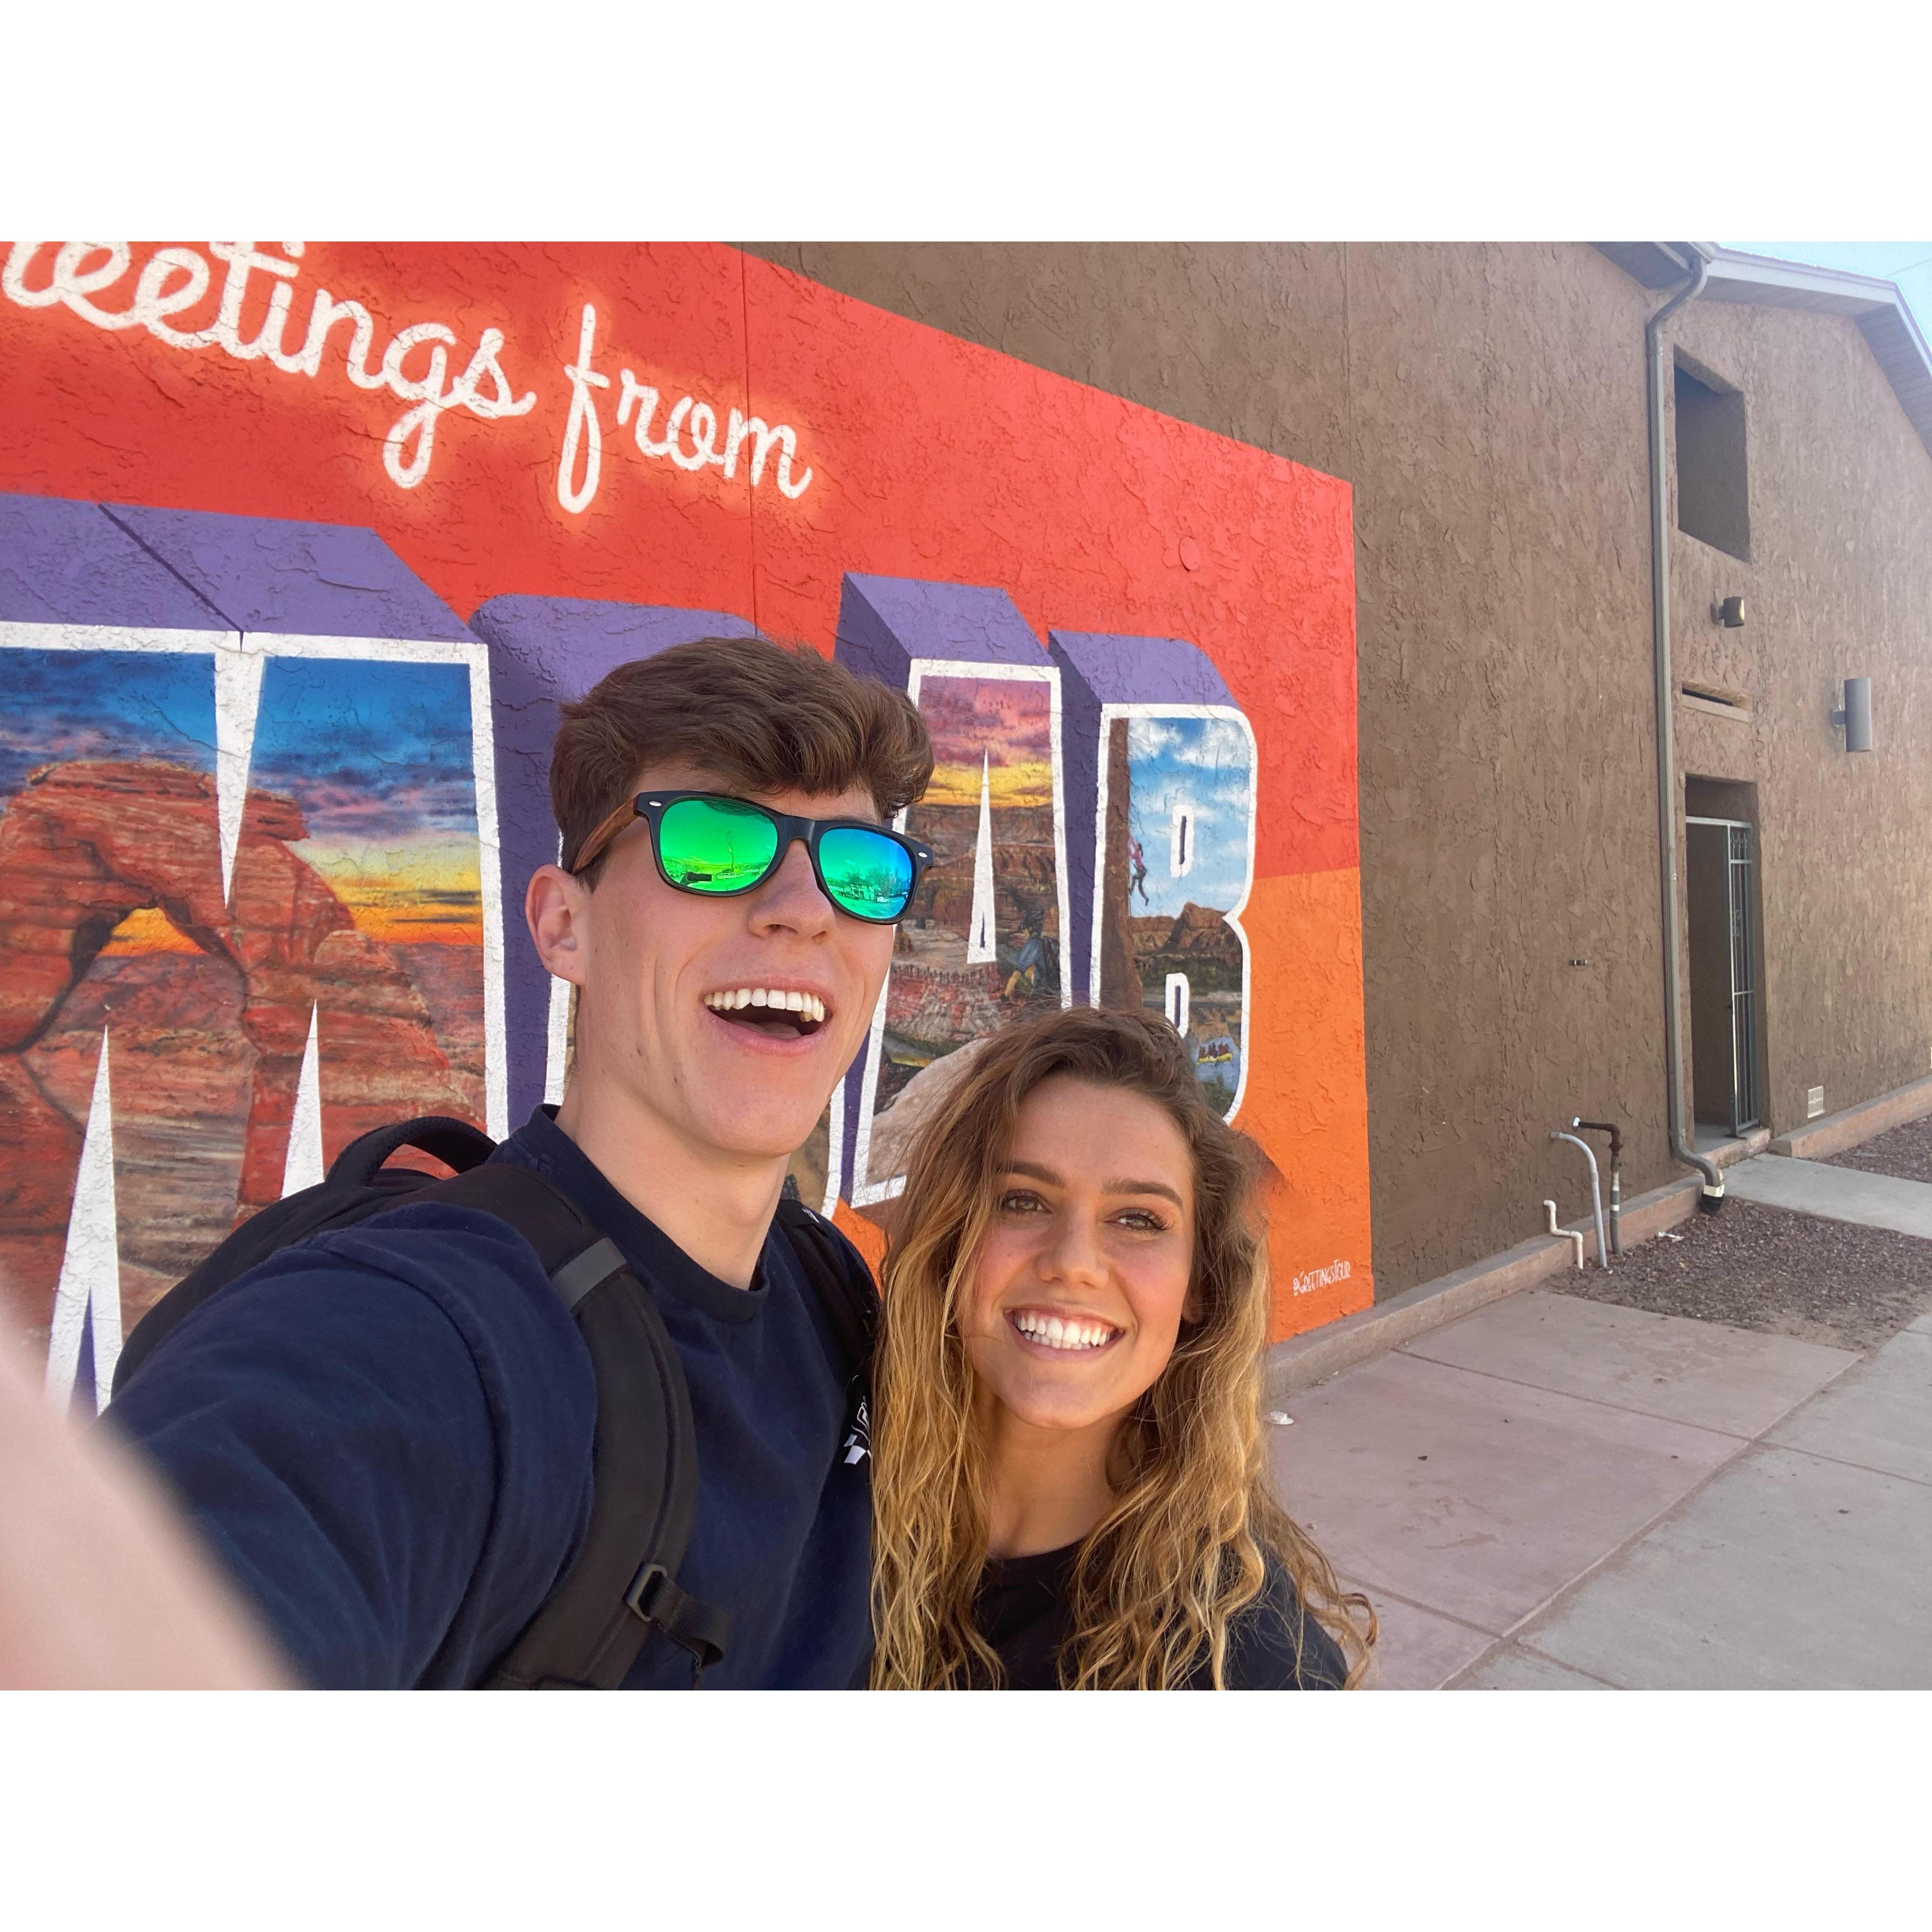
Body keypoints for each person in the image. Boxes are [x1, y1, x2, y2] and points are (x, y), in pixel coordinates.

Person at [107, 636, 932, 1688]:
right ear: (562, 924)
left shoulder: (831, 1298)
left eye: (862, 871)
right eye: (716, 848)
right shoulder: (417, 1335)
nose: (805, 910)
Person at [866, 1005, 1375, 1689]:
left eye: (1138, 1219)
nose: (1074, 1263)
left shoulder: (1244, 1665)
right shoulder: (828, 1501)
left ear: (1200, 1284)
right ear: (952, 1236)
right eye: (1022, 1201)